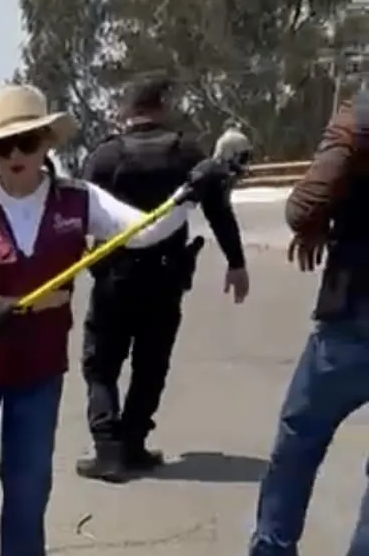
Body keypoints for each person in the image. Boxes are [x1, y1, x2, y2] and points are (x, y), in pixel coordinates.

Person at [0, 83, 230, 556]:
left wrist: (188, 197)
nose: (16, 156)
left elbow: (144, 231)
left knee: (27, 472)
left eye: (26, 142)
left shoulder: (79, 200)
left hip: (39, 364)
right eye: (2, 148)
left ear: (47, 141)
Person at [228, 91, 369, 556]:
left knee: (299, 440)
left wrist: (321, 220)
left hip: (355, 312)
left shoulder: (361, 114)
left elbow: (302, 208)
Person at [76, 76, 250, 482]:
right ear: (161, 108)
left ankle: (108, 450)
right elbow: (219, 211)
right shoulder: (186, 152)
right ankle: (133, 444)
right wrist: (236, 262)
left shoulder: (103, 157)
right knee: (151, 362)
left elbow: (77, 216)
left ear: (127, 111)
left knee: (101, 364)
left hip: (113, 278)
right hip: (166, 277)